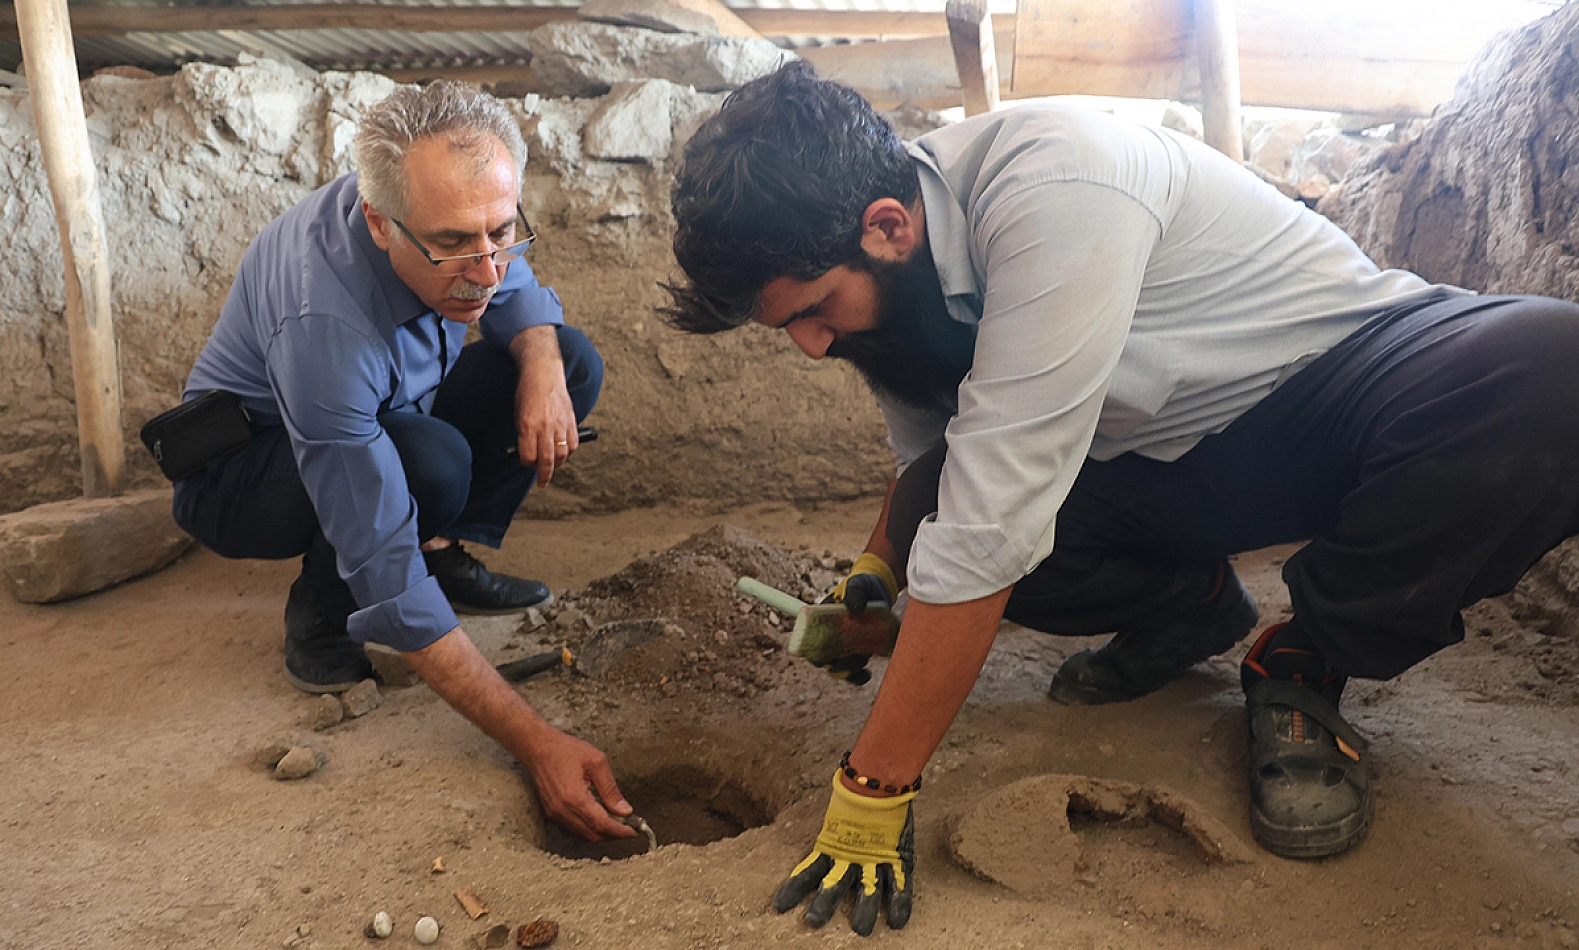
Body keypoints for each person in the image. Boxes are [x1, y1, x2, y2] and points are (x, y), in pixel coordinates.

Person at [664, 61, 1579, 934]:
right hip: (1160, 458)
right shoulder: (893, 293)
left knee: (1552, 369)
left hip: (1330, 385)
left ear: (888, 227)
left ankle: (1302, 660)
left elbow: (989, 518)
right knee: (971, 535)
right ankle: (1194, 609)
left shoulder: (1057, 180)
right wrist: (875, 573)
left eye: (812, 311)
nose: (813, 348)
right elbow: (931, 463)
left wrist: (875, 789)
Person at [173, 81, 633, 842]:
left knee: (567, 358)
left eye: (501, 230)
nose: (486, 270)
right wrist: (535, 742)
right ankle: (321, 623)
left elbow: (510, 285)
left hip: (386, 420)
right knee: (426, 461)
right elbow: (378, 546)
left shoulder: (457, 219)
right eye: (454, 244)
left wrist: (544, 371)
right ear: (381, 225)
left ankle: (443, 550)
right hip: (240, 474)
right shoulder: (326, 320)